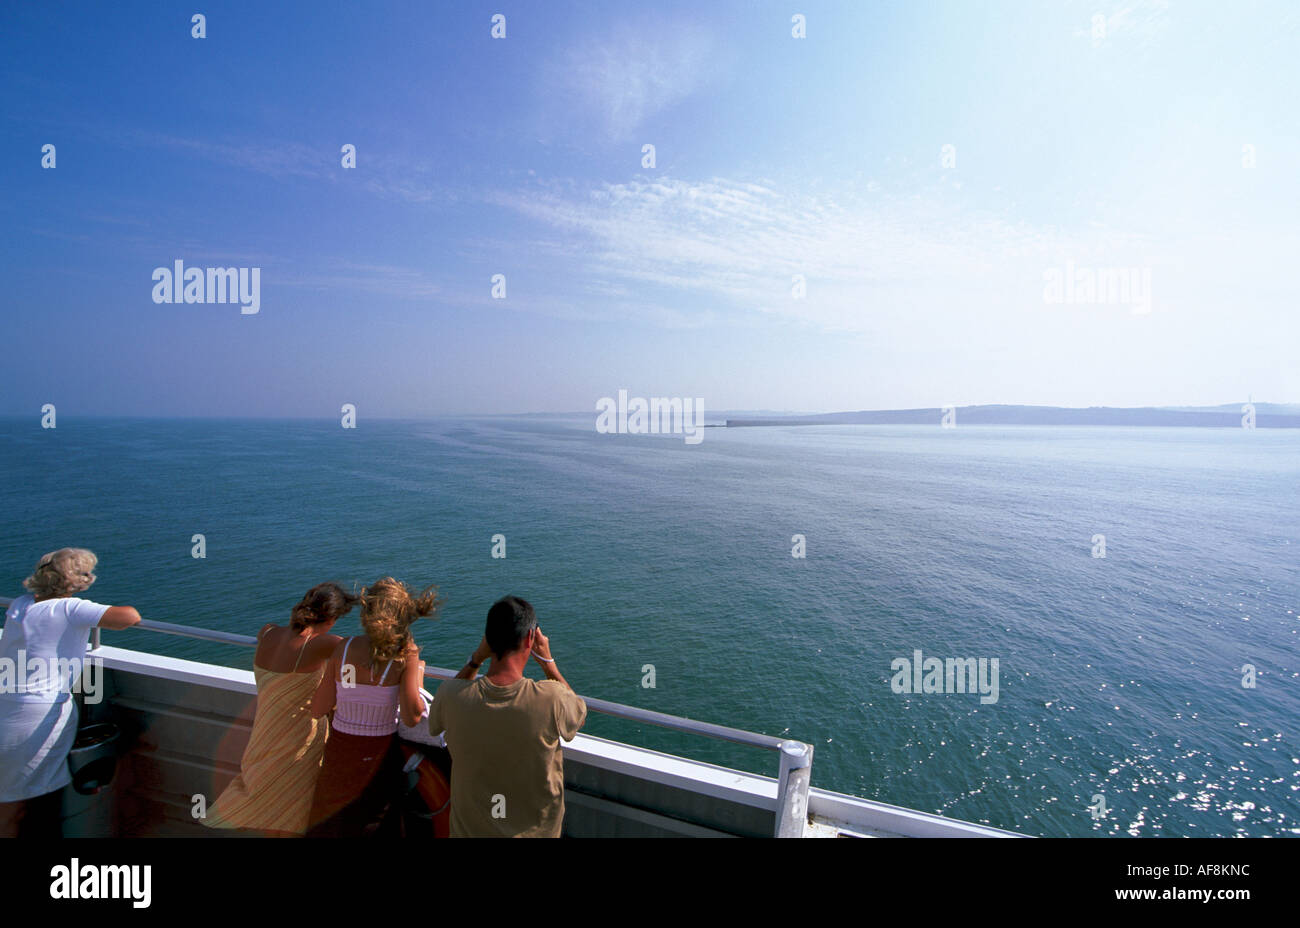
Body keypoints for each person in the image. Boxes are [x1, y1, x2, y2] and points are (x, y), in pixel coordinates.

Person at [0, 548, 141, 837]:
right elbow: (129, 617)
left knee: (8, 793)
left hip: (6, 705)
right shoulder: (70, 608)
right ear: (79, 579)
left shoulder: (20, 605)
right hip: (39, 715)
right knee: (38, 796)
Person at [203, 582, 357, 836]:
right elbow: (361, 653)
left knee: (273, 817)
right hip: (297, 746)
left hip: (263, 739)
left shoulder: (267, 632)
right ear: (331, 618)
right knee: (291, 822)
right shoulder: (324, 644)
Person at [428, 595, 586, 837]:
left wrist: (475, 659)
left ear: (488, 641)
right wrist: (548, 663)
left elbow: (434, 723)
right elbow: (577, 715)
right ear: (531, 639)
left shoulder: (451, 696)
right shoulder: (551, 699)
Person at [306, 577, 438, 836]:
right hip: (378, 759)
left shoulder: (343, 648)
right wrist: (417, 676)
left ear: (367, 612)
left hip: (340, 754)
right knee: (375, 825)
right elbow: (412, 717)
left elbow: (318, 708)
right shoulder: (406, 654)